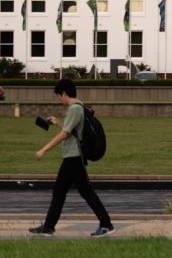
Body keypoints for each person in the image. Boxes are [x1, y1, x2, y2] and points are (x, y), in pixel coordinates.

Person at [29, 78, 114, 237]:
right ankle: (48, 226)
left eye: (58, 95)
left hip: (74, 157)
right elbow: (73, 129)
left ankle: (106, 224)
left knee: (84, 192)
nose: (58, 99)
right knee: (60, 192)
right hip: (72, 157)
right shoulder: (80, 106)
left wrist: (43, 150)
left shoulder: (74, 109)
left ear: (64, 93)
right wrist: (57, 122)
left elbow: (65, 134)